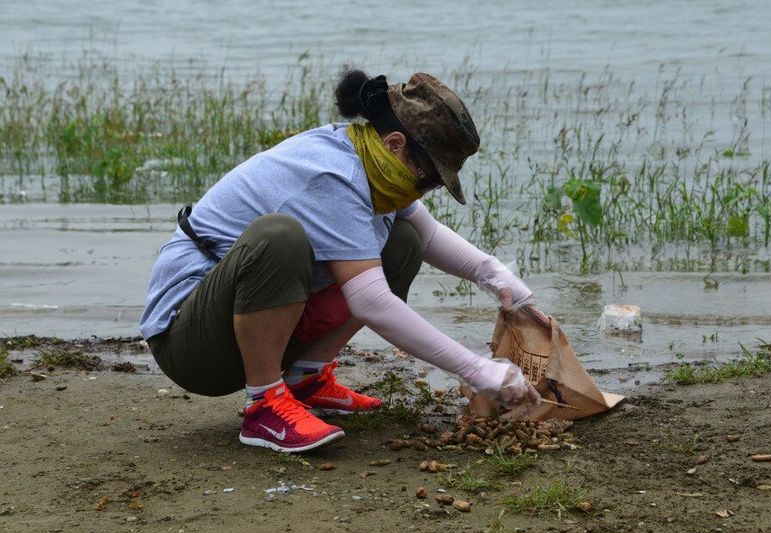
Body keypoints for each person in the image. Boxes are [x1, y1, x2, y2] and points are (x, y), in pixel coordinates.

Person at [140, 69, 547, 453]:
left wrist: (499, 279)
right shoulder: (332, 176)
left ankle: (306, 377)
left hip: (238, 324)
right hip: (189, 343)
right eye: (430, 178)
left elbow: (426, 235)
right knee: (279, 238)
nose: (428, 190)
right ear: (395, 144)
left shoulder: (372, 163)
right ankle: (264, 406)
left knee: (401, 242)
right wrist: (478, 371)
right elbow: (371, 302)